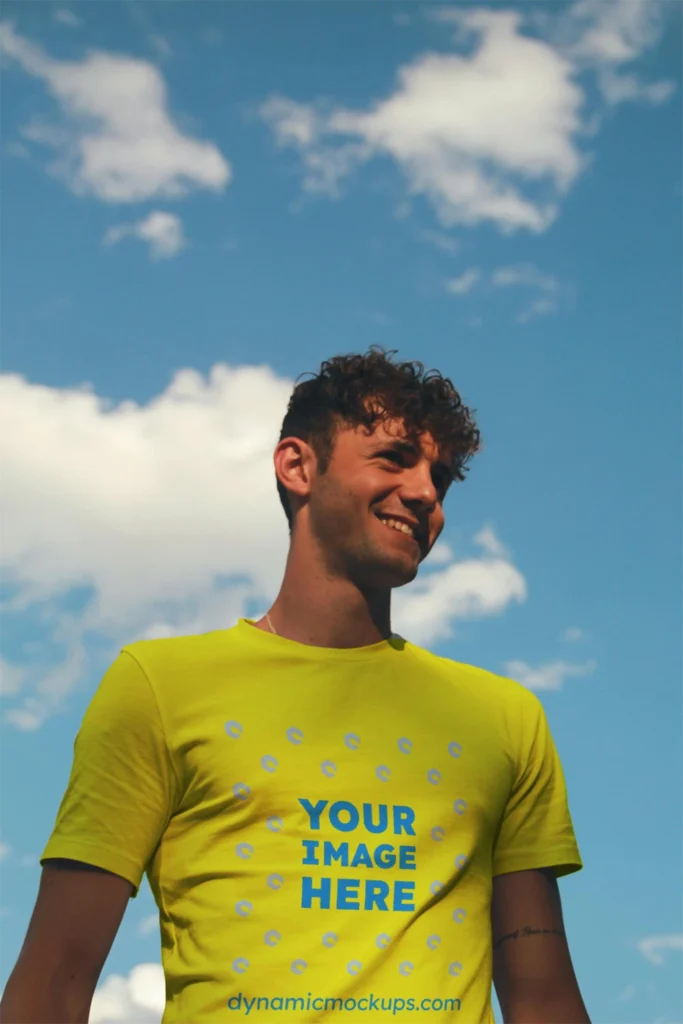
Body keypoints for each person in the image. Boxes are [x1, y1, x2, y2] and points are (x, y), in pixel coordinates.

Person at [0, 347, 591, 1023]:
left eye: (442, 477)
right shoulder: (158, 686)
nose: (427, 492)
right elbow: (51, 985)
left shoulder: (504, 718)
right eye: (395, 458)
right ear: (297, 466)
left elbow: (543, 999)